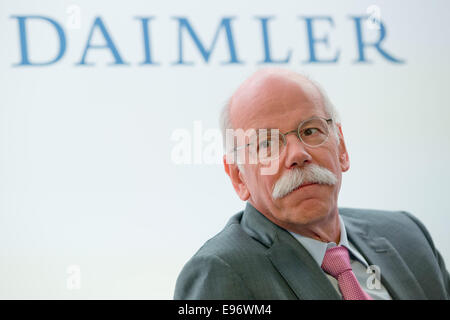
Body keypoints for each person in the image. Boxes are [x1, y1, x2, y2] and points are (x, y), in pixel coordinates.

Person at [173, 68, 450, 300]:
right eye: (267, 144)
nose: (297, 154)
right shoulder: (220, 274)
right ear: (238, 176)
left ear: (341, 147)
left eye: (310, 131)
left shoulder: (408, 235)